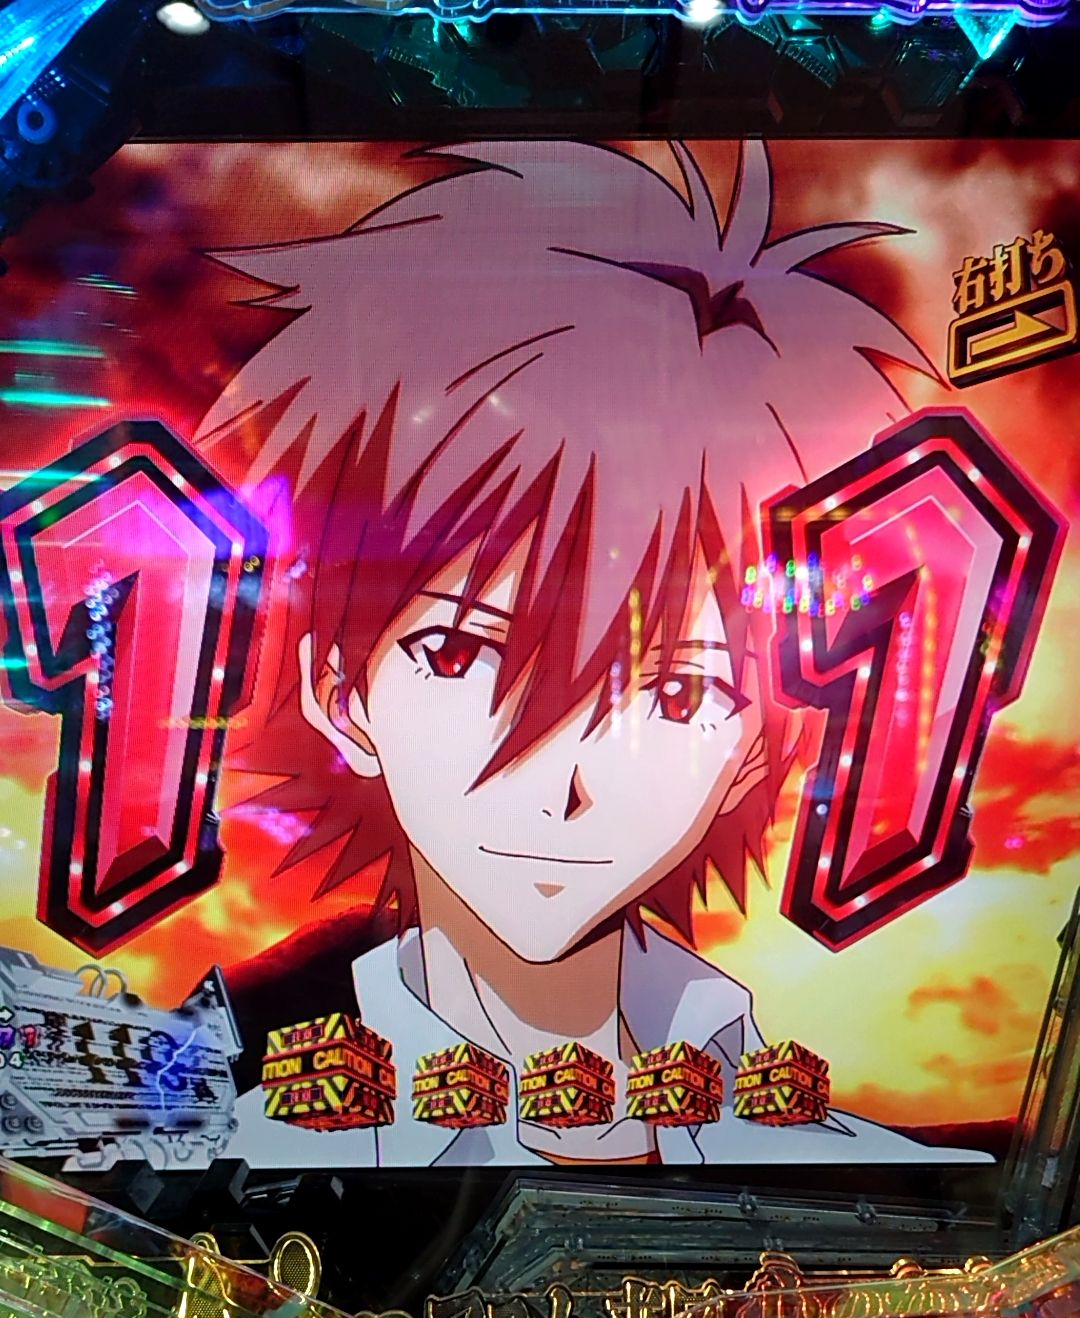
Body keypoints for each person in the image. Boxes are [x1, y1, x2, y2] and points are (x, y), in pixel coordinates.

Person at [199, 139, 988, 1169]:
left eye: (680, 692)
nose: (563, 788)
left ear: (756, 747)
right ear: (341, 692)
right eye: (461, 654)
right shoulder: (229, 1147)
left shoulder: (852, 1173)